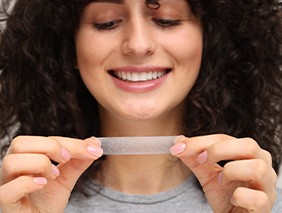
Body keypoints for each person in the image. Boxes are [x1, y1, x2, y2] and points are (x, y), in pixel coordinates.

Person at [0, 0, 281, 212]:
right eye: (107, 22)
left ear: (209, 38)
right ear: (68, 45)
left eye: (166, 20)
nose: (137, 45)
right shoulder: (18, 201)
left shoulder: (257, 202)